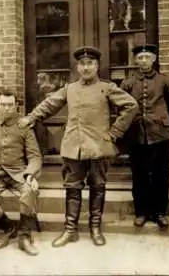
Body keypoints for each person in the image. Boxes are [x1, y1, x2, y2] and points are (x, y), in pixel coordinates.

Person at [18, 46, 139, 247]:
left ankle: (95, 228)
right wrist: (32, 117)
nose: (85, 67)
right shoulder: (70, 88)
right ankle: (70, 230)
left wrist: (115, 132)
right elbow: (49, 104)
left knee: (98, 187)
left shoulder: (107, 87)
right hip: (74, 147)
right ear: (77, 67)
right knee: (72, 187)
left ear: (97, 65)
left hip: (98, 147)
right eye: (82, 64)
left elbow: (131, 105)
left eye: (90, 63)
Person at [120, 44, 169, 229]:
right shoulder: (128, 83)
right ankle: (141, 212)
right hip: (136, 135)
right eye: (140, 57)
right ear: (135, 60)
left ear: (154, 59)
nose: (144, 61)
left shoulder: (164, 81)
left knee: (160, 174)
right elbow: (122, 108)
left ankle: (160, 213)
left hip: (161, 135)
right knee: (139, 175)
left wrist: (162, 121)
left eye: (147, 57)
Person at [0, 89, 42, 256]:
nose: (6, 108)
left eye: (10, 105)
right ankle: (9, 226)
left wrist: (30, 174)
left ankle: (24, 236)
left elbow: (35, 156)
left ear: (16, 106)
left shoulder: (24, 126)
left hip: (18, 173)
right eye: (3, 105)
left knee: (29, 190)